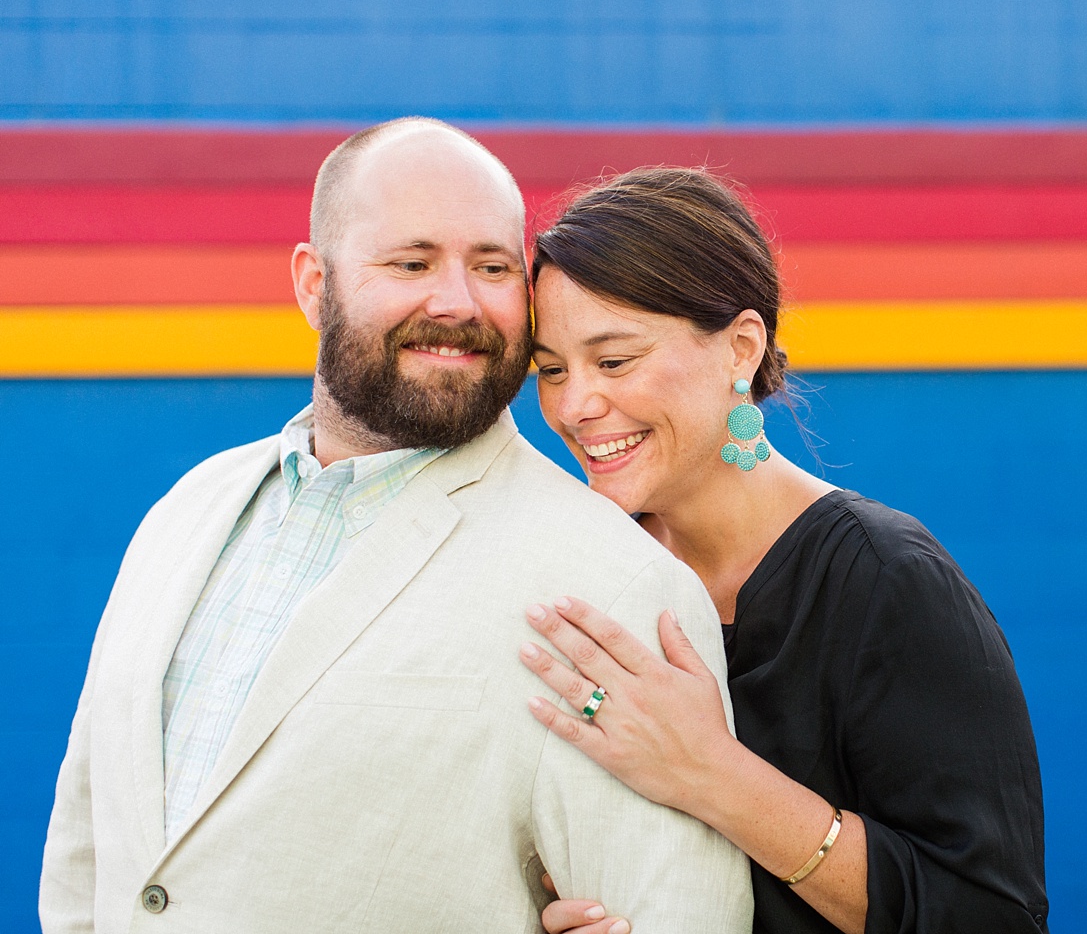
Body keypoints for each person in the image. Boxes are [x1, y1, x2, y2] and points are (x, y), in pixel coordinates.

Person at [39, 121, 751, 934]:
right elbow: (87, 860)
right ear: (315, 284)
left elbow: (674, 916)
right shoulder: (186, 512)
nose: (456, 301)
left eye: (492, 267)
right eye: (411, 264)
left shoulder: (617, 584)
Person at [521, 167, 1049, 934]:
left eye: (615, 360)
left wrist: (714, 774)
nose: (574, 406)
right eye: (550, 371)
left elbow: (991, 916)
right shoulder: (586, 577)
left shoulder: (887, 580)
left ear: (740, 348)